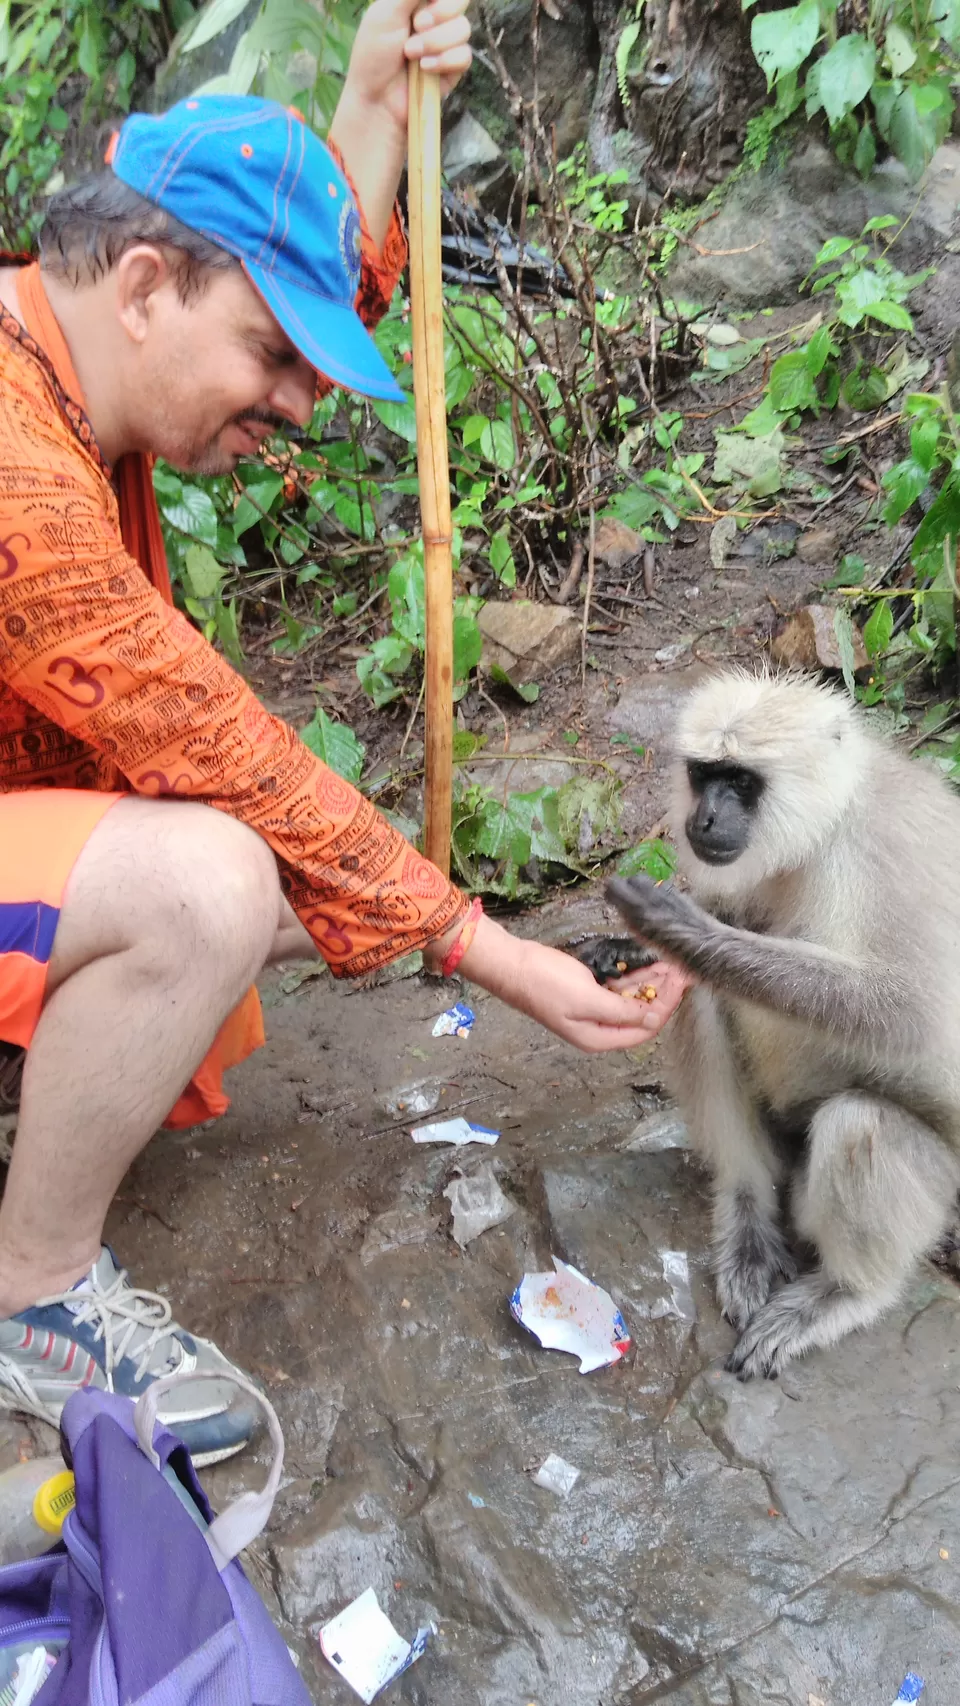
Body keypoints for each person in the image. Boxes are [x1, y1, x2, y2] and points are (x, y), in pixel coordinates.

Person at [0, 0, 689, 1464]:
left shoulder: (72, 349)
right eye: (272, 357)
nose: (297, 404)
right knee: (214, 882)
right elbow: (218, 743)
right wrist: (497, 956)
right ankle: (33, 1290)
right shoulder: (13, 464)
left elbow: (298, 293)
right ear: (140, 287)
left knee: (281, 875)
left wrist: (376, 92)